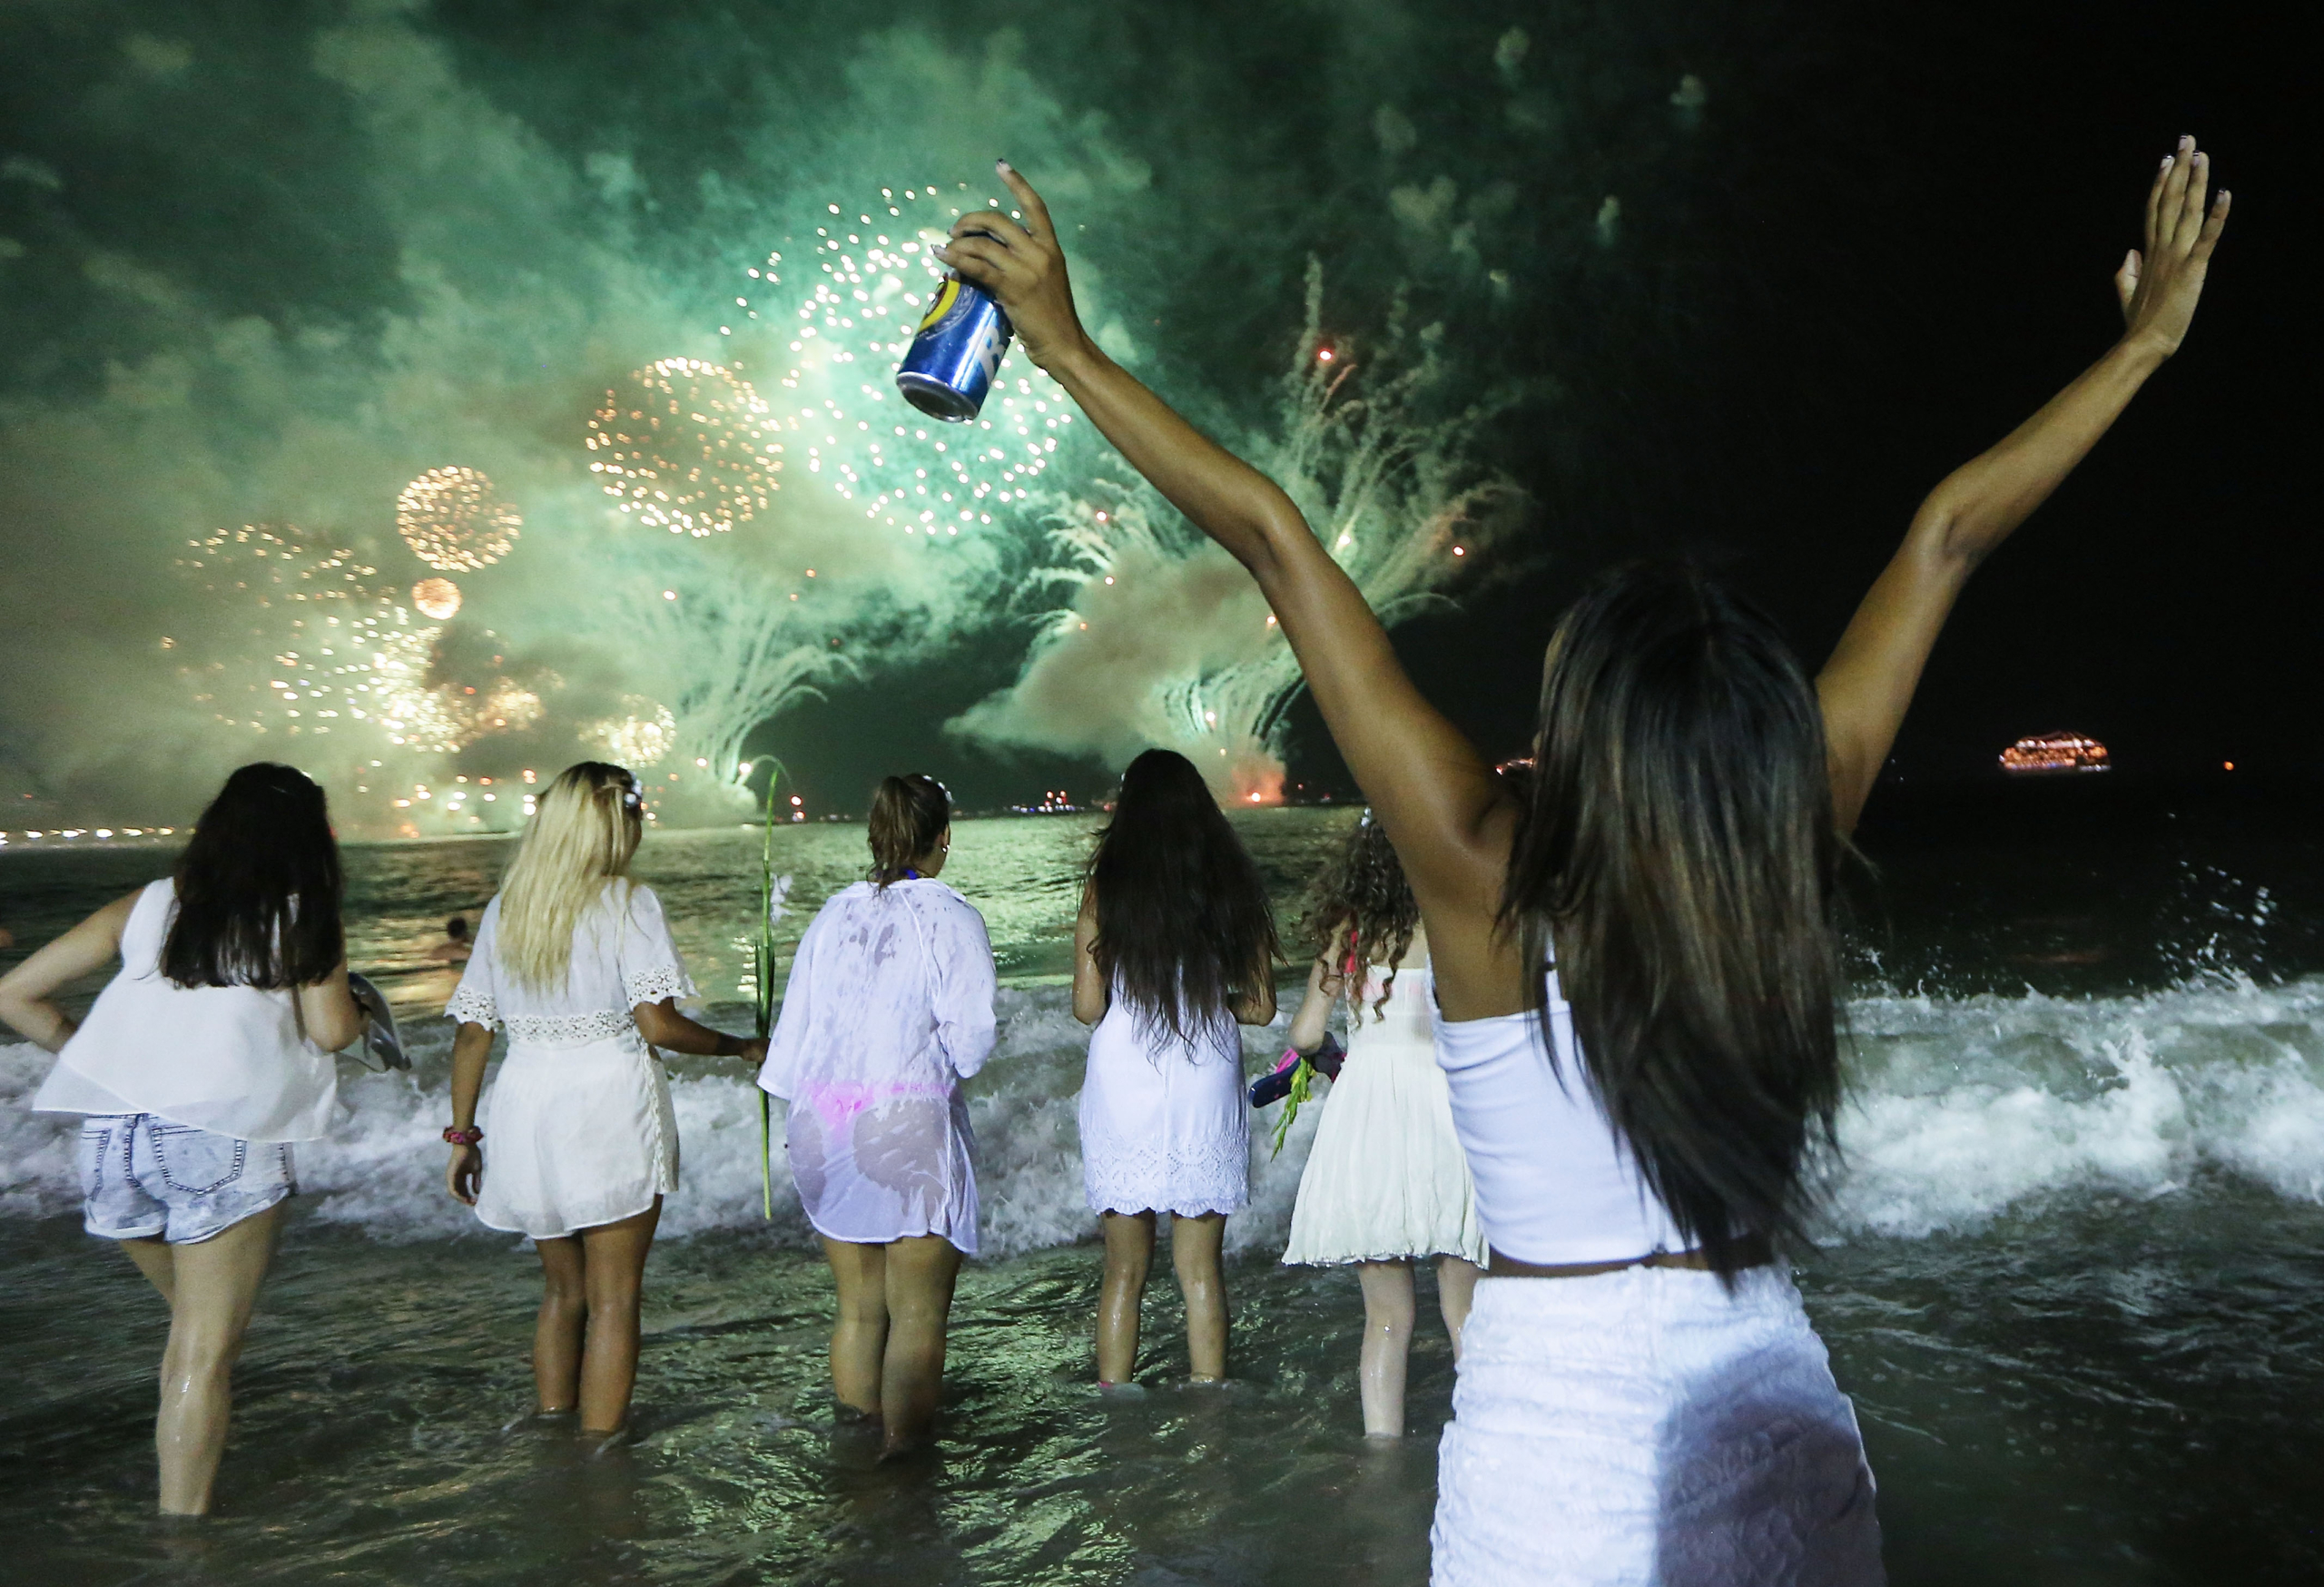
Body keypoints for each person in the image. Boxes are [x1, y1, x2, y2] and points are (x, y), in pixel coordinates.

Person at [945, 143, 2226, 1582]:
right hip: (1774, 1418)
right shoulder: (1784, 849)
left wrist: (1059, 348)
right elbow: (1943, 543)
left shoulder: (1482, 885)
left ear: (1582, 737)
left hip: (1546, 1455)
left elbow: (1273, 542)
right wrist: (2148, 347)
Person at [0, 763, 362, 1516]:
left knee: (193, 1334)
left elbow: (14, 993)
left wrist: (92, 1055)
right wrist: (357, 1006)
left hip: (110, 1142)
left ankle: (187, 1476)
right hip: (220, 1139)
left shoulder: (149, 903)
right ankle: (182, 1536)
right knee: (203, 1350)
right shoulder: (301, 915)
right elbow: (331, 1032)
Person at [442, 761, 764, 1445]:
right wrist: (739, 1046)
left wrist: (463, 1137)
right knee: (616, 1299)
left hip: (526, 1107)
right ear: (616, 823)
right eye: (636, 813)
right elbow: (659, 1026)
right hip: (607, 1107)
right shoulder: (627, 903)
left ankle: (555, 1427)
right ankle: (601, 1452)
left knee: (564, 1294)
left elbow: (473, 1032)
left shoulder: (509, 907)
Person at [758, 774, 997, 1457]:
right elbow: (973, 1045)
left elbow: (788, 1053)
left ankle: (858, 1458)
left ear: (874, 837)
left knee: (860, 1312)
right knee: (917, 1313)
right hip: (904, 1127)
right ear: (944, 837)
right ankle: (904, 1465)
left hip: (820, 1124)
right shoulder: (951, 915)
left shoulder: (831, 916)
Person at [1072, 748, 1278, 1385]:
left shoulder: (1106, 885)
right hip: (1203, 1070)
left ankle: (1116, 1407)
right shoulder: (1228, 883)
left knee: (1124, 1272)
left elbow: (1086, 1007)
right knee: (1199, 1272)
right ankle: (1209, 1416)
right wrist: (1209, 998)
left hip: (1124, 1074)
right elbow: (1262, 1006)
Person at [1278, 812, 1486, 1439]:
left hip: (1371, 1117)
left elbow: (1308, 1033)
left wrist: (1321, 1054)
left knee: (1387, 1319)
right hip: (1450, 1110)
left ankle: (1382, 1457)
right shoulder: (1452, 919)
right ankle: (1489, 1435)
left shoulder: (1350, 930)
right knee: (1465, 1309)